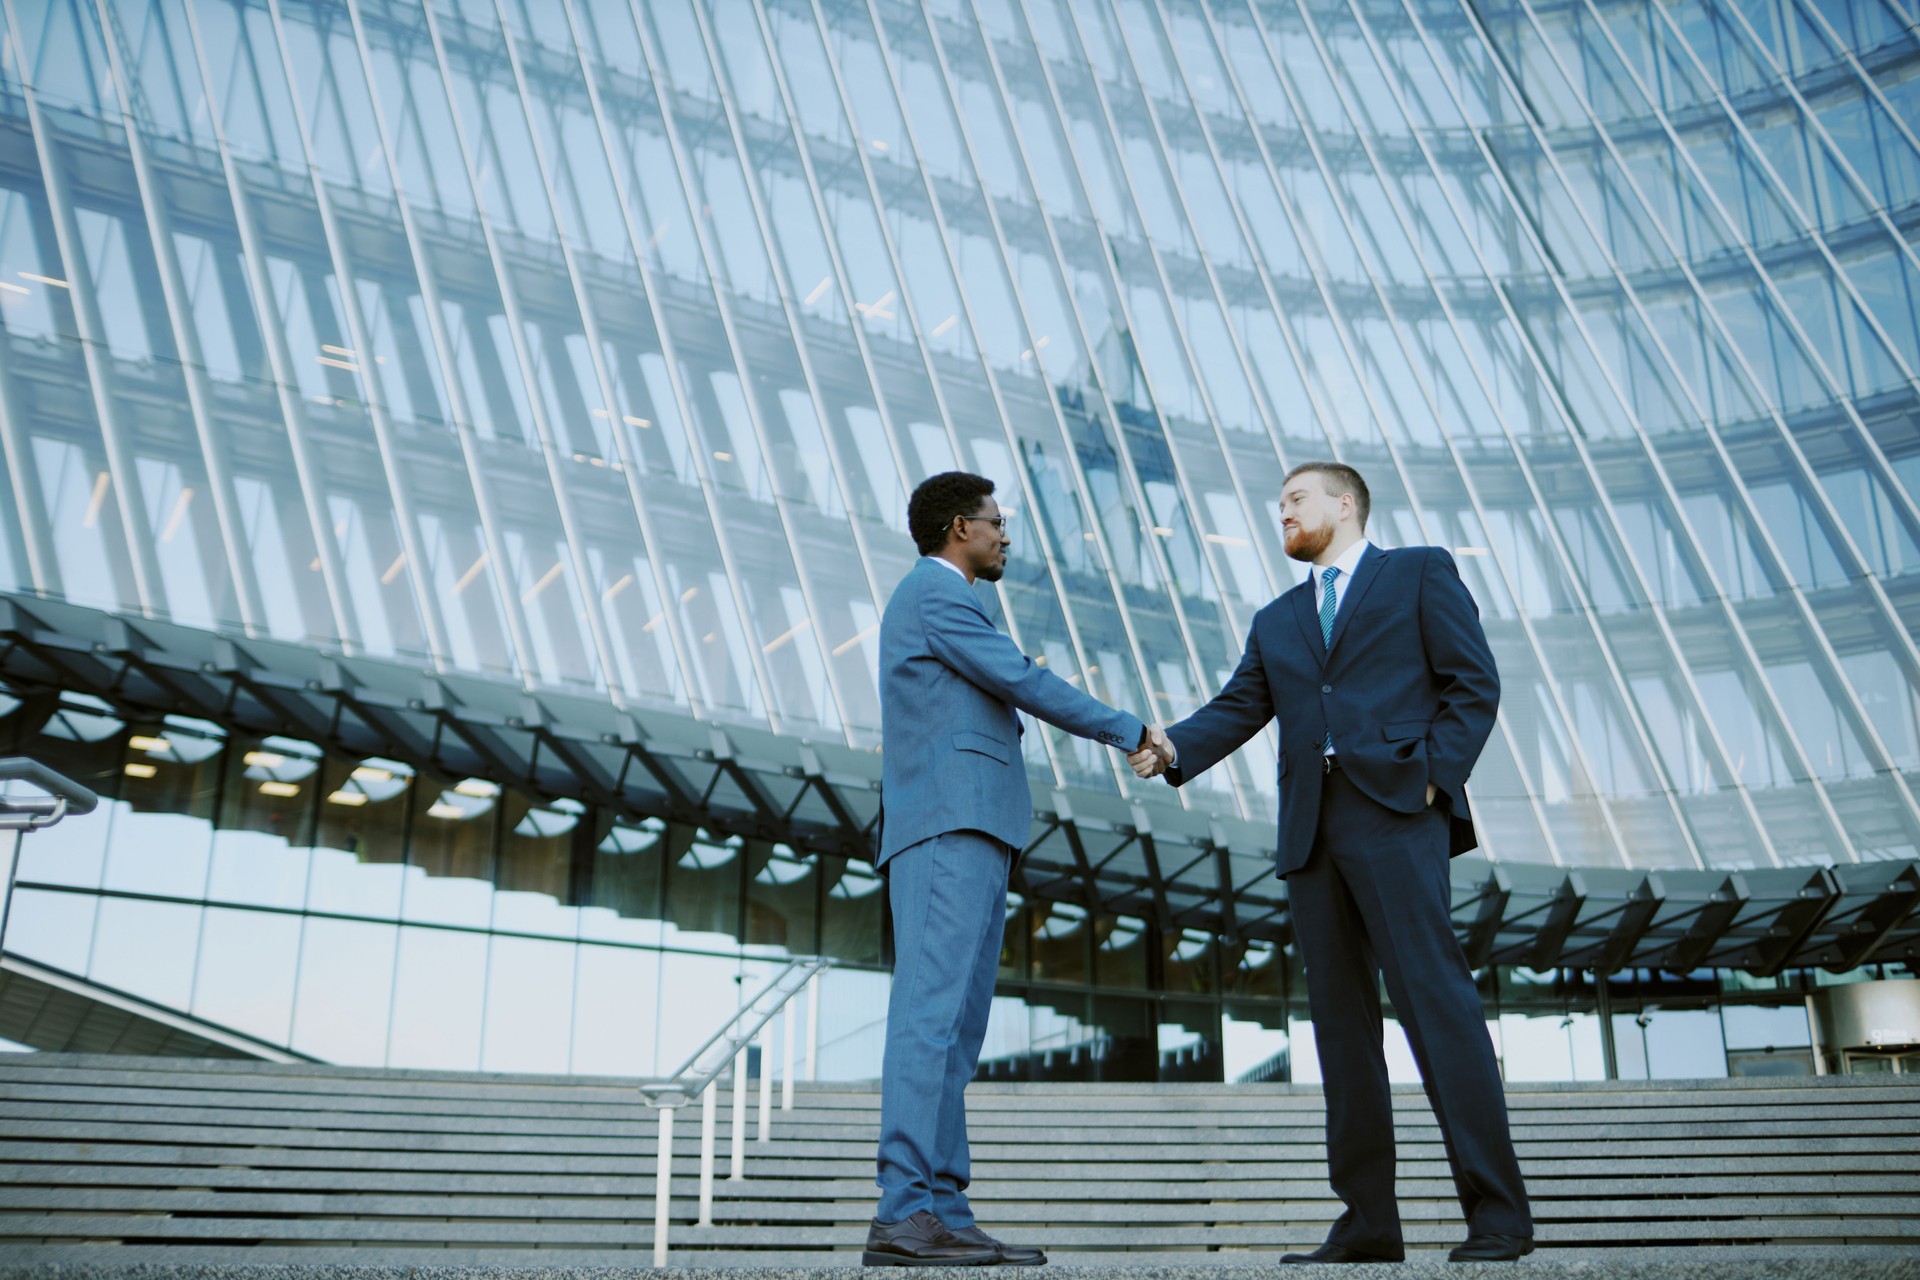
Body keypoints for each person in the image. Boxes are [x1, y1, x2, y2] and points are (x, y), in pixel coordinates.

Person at [1130, 461, 1532, 1264]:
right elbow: (1240, 706)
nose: (1281, 512)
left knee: (1437, 1010)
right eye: (1277, 504)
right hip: (1311, 834)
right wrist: (1172, 746)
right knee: (1342, 1033)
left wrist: (1430, 781)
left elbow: (1474, 684)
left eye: (1296, 499)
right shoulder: (1277, 619)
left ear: (1345, 505)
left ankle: (1496, 1214)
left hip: (1396, 816)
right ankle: (1368, 1224)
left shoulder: (1418, 572)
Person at [865, 471, 1168, 1268]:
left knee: (957, 1035)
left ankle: (944, 1210)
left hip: (975, 826)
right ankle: (903, 1212)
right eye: (997, 523)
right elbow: (1023, 682)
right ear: (961, 527)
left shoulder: (955, 601)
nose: (1007, 535)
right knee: (930, 1023)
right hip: (945, 826)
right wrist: (1127, 726)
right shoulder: (938, 595)